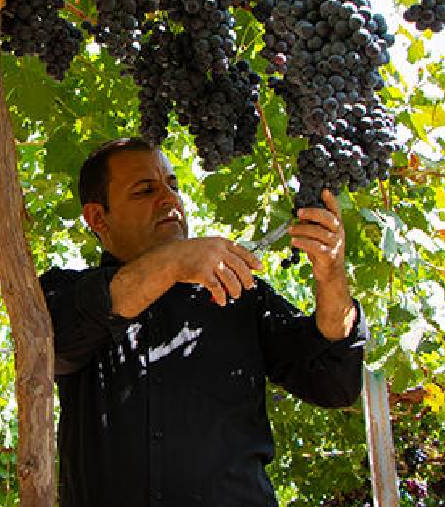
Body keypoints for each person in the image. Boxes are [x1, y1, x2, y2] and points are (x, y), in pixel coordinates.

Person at [39, 138, 368, 506]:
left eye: (173, 185)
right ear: (98, 217)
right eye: (145, 190)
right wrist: (175, 262)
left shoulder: (242, 295)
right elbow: (57, 345)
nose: (170, 199)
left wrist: (331, 275)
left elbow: (333, 383)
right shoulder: (59, 295)